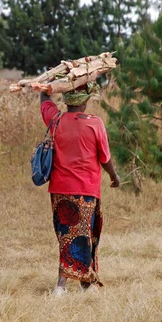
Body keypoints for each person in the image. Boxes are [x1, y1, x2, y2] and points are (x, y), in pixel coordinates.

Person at [37, 83, 120, 296]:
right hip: (86, 190)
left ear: (66, 99)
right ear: (85, 100)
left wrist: (47, 86)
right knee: (84, 234)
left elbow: (45, 101)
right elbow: (105, 158)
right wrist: (113, 175)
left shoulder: (55, 120)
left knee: (67, 235)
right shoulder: (95, 124)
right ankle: (74, 285)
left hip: (59, 190)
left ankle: (72, 284)